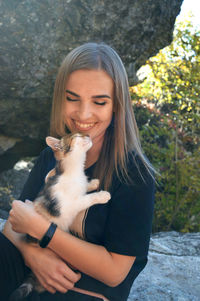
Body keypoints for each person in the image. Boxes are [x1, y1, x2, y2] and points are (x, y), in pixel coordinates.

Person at [1, 42, 155, 301]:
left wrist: (45, 232)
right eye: (72, 98)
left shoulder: (134, 174)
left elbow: (115, 272)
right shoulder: (51, 157)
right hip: (28, 275)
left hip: (83, 293)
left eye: (99, 101)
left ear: (116, 105)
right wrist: (34, 255)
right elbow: (14, 225)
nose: (84, 114)